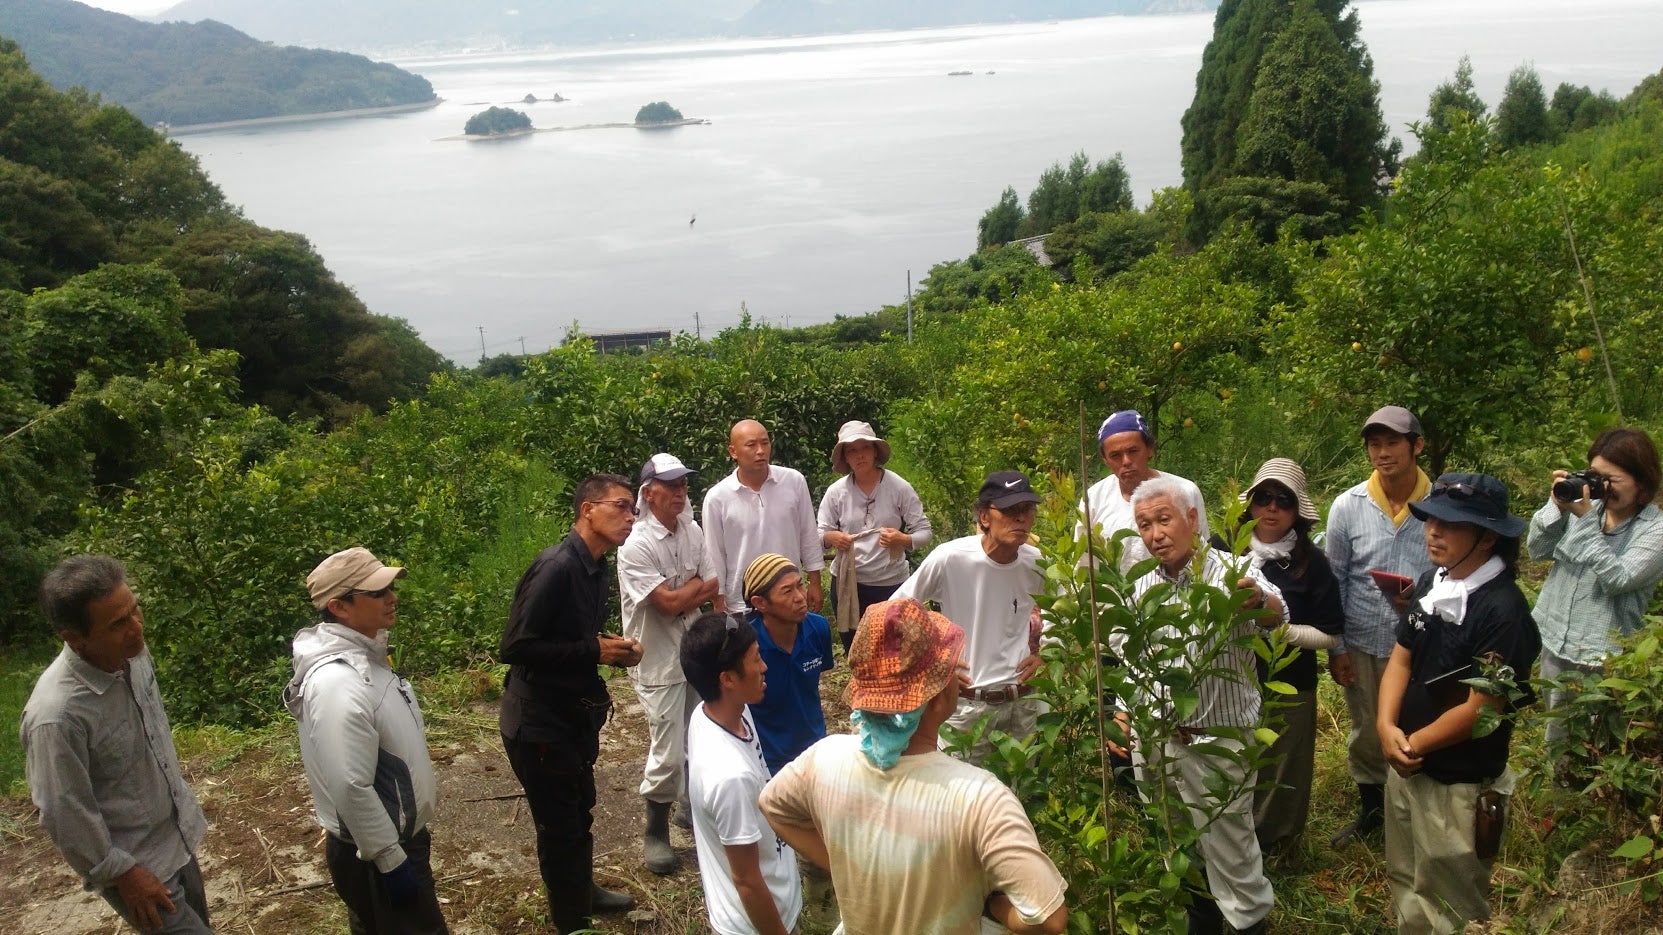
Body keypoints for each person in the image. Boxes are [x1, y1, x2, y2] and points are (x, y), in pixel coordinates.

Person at [758, 598, 1069, 935]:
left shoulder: (823, 758)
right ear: (936, 700)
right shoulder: (980, 799)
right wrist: (991, 902)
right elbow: (1048, 918)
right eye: (950, 669)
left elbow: (772, 806)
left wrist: (849, 865)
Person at [1110, 476, 1281, 935]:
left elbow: (1275, 612)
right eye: (1143, 525)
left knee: (1231, 846)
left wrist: (1258, 600)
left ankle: (1248, 922)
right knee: (1175, 841)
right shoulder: (1139, 584)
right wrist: (1125, 706)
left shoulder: (1231, 570)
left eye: (1163, 520)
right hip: (1157, 740)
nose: (1154, 534)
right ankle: (1201, 918)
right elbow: (1133, 659)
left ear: (1192, 519)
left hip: (1218, 740)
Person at [1379, 474, 1541, 934]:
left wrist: (1411, 743)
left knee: (1451, 892)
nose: (1433, 531)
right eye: (1431, 519)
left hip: (1458, 783)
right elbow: (1402, 656)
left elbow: (1482, 708)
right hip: (1408, 764)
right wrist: (1384, 724)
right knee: (1407, 875)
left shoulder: (1503, 611)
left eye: (1451, 525)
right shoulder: (1435, 581)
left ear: (1487, 537)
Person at [22, 555, 212, 935]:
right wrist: (122, 874)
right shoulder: (57, 716)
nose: (137, 627)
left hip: (177, 837)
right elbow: (65, 811)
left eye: (134, 610)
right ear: (75, 638)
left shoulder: (132, 656)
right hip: (136, 866)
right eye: (118, 623)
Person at [500, 472, 644, 933]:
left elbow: (569, 639)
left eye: (633, 509)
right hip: (539, 722)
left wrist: (609, 648)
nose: (630, 517)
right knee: (559, 826)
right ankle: (570, 921)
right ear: (588, 510)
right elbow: (516, 646)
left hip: (571, 717)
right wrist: (593, 651)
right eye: (621, 506)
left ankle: (582, 891)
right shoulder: (558, 566)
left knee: (580, 808)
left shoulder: (596, 566)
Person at [285, 547, 448, 934]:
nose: (392, 597)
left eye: (390, 587)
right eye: (377, 592)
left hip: (386, 842)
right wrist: (391, 860)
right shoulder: (339, 681)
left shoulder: (364, 656)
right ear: (339, 607)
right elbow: (349, 783)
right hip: (377, 853)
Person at [1220, 459, 1345, 857]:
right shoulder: (1223, 550)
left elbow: (1330, 633)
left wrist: (1278, 629)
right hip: (1230, 679)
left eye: (1284, 500)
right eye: (1263, 497)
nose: (1272, 508)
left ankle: (1274, 844)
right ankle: (1232, 841)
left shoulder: (1313, 564)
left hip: (1290, 679)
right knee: (1233, 756)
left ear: (1298, 511)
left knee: (1283, 762)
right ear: (1249, 504)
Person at [1324, 405, 1435, 846]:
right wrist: (1337, 649)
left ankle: (1416, 810)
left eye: (1393, 442)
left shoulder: (1441, 502)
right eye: (1375, 444)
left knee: (1421, 724)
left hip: (1426, 642)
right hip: (1365, 639)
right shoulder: (1348, 506)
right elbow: (1335, 579)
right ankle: (1373, 810)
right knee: (1367, 728)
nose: (1383, 452)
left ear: (1417, 445)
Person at [893, 470, 1046, 763]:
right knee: (960, 798)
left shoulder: (1035, 562)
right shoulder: (952, 558)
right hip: (967, 706)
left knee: (1021, 796)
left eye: (1027, 510)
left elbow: (1064, 607)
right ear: (984, 517)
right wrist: (932, 661)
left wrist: (1048, 654)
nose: (1021, 519)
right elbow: (896, 611)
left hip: (1023, 701)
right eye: (1010, 510)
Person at [617, 453, 721, 874]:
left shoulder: (692, 530)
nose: (681, 492)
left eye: (684, 485)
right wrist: (692, 588)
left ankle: (688, 808)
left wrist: (690, 591)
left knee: (700, 734)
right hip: (656, 658)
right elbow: (666, 605)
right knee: (667, 750)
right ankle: (655, 830)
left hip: (692, 648)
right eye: (672, 485)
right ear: (648, 492)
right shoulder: (635, 545)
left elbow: (712, 584)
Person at [1527, 427, 1663, 744]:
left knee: (1596, 744)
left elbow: (1618, 579)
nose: (1600, 487)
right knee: (1557, 736)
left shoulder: (1655, 531)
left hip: (1603, 657)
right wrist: (1557, 507)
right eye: (1595, 476)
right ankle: (1562, 791)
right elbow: (1537, 550)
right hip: (1556, 640)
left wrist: (1585, 519)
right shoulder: (1587, 506)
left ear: (1642, 483)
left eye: (1611, 480)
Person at [681, 613, 803, 935]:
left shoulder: (712, 713)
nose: (764, 667)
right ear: (728, 679)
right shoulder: (730, 777)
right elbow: (747, 880)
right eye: (756, 659)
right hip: (756, 924)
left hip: (777, 895)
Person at [818, 420, 932, 653]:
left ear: (875, 451)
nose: (860, 455)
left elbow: (924, 533)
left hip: (890, 583)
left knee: (893, 649)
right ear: (845, 457)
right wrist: (832, 537)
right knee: (856, 648)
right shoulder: (836, 492)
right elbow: (819, 534)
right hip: (849, 584)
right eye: (852, 450)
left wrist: (903, 539)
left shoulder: (898, 487)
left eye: (865, 448)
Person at [704, 419, 825, 615]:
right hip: (742, 603)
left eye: (765, 443)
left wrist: (814, 582)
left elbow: (808, 534)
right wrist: (719, 601)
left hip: (790, 595)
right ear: (733, 451)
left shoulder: (793, 482)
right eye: (751, 445)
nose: (760, 451)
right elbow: (714, 554)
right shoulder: (717, 497)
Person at [1079, 408, 1210, 571]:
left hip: (1177, 593)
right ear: (1105, 460)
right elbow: (1084, 562)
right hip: (1114, 595)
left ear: (1150, 449)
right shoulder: (1093, 499)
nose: (1126, 461)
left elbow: (1203, 550)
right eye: (1115, 456)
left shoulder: (1185, 491)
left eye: (1133, 451)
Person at [742, 553, 836, 774]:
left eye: (800, 586)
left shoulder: (819, 629)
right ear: (760, 603)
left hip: (815, 750)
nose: (800, 597)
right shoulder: (746, 647)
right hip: (768, 760)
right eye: (787, 591)